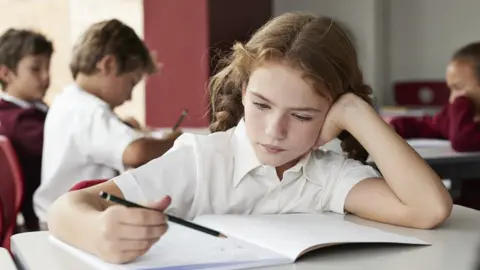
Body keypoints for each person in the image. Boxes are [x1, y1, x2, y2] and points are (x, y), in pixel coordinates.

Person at [48, 12, 452, 264]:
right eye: (261, 105)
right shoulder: (201, 160)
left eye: (302, 115)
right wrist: (98, 235)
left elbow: (428, 209)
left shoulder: (326, 174)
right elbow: (68, 207)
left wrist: (356, 113)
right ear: (243, 92)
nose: (275, 131)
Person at [34, 19, 182, 224]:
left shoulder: (68, 100)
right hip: (69, 222)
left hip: (60, 217)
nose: (129, 96)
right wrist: (177, 139)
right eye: (131, 83)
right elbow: (136, 153)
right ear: (108, 65)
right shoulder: (88, 111)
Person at [390, 42, 480, 210]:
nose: (453, 99)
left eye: (458, 88)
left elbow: (463, 140)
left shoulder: (462, 110)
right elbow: (431, 125)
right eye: (450, 89)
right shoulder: (460, 113)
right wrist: (394, 127)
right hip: (466, 206)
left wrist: (461, 103)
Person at [0, 28, 53, 231]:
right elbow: (67, 141)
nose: (46, 77)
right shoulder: (17, 120)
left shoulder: (31, 109)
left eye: (48, 68)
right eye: (35, 69)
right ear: (6, 74)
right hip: (43, 218)